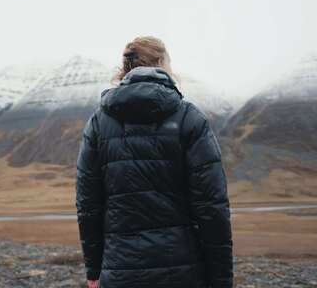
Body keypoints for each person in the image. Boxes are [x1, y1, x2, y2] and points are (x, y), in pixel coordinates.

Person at [75, 36, 233, 288]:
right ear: (161, 63)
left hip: (119, 272)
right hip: (183, 272)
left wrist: (94, 271)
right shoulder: (189, 117)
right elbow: (212, 207)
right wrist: (221, 279)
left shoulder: (98, 123)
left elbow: (88, 206)